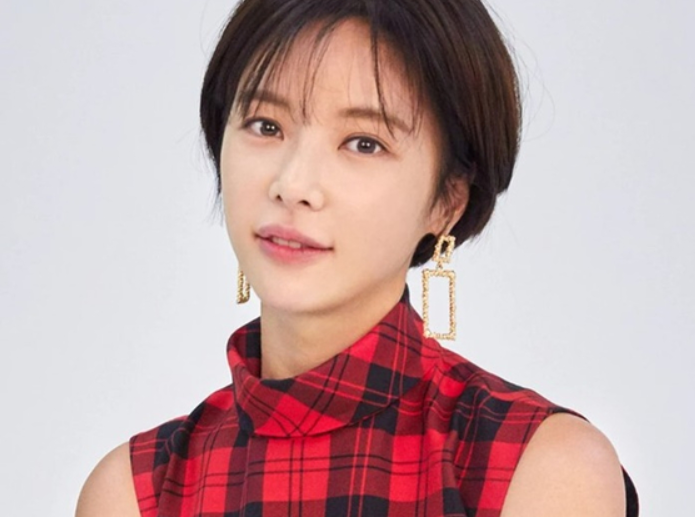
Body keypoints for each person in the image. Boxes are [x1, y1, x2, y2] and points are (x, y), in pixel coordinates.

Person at [76, 0, 639, 515]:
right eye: (266, 125)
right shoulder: (136, 492)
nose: (293, 184)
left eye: (363, 143)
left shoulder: (537, 467)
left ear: (447, 201)